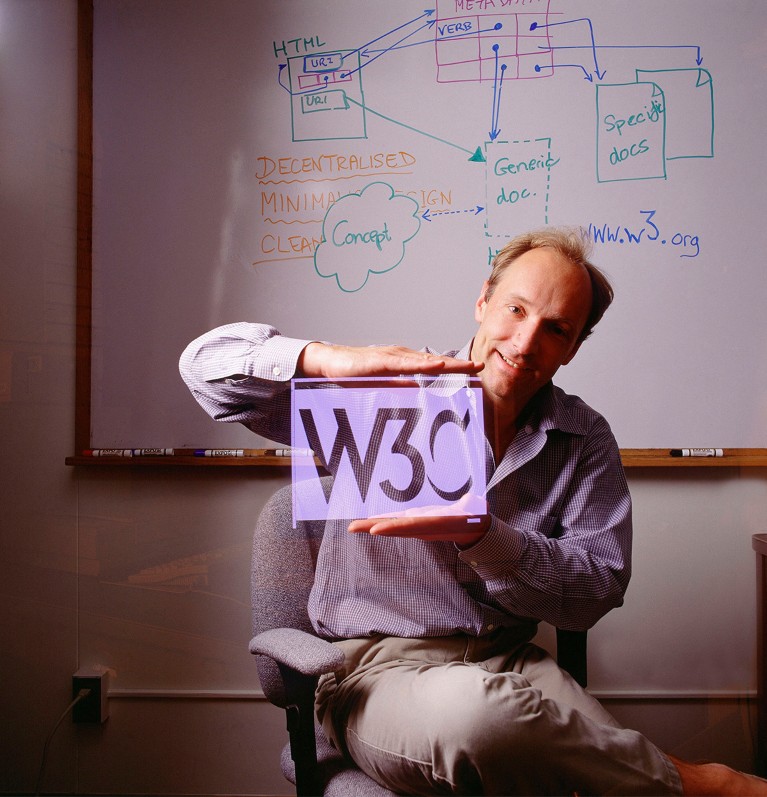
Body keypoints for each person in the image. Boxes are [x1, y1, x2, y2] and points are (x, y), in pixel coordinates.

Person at [180, 227, 766, 796]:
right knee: (489, 722)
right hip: (373, 675)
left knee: (564, 754)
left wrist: (486, 537)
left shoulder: (582, 436)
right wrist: (327, 360)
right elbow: (204, 371)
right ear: (483, 300)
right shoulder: (387, 392)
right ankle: (699, 781)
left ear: (574, 347)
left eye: (556, 328)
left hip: (512, 663)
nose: (527, 340)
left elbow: (597, 591)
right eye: (516, 309)